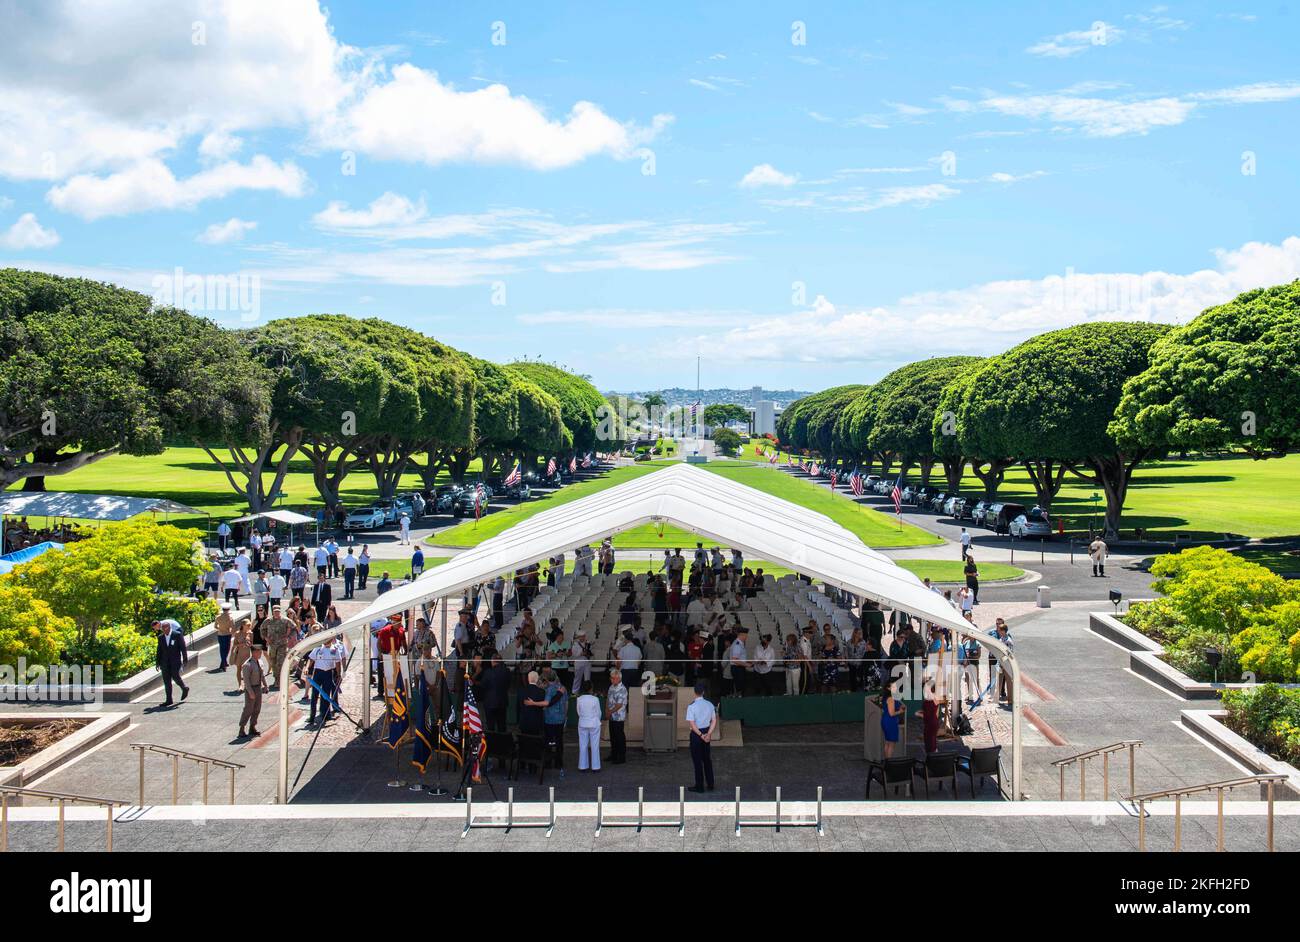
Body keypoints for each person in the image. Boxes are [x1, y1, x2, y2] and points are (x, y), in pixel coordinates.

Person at [305, 636, 342, 728]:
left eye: (327, 640)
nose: (326, 642)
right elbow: (311, 659)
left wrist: (338, 675)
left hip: (328, 673)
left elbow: (338, 663)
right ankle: (312, 716)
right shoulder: (318, 648)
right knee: (314, 695)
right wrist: (307, 668)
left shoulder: (334, 650)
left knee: (325, 695)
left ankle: (325, 715)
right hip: (318, 672)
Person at [686, 681, 716, 793]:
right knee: (707, 759)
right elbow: (714, 720)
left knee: (697, 761)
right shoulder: (710, 704)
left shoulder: (692, 706)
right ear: (703, 692)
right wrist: (708, 734)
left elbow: (692, 724)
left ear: (695, 692)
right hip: (706, 732)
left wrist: (700, 735)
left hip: (696, 734)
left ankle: (699, 786)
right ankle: (710, 783)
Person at [153, 619, 189, 706]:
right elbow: (159, 650)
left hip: (175, 661)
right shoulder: (161, 637)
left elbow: (183, 647)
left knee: (175, 676)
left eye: (166, 629)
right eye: (163, 629)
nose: (165, 631)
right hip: (164, 662)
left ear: (169, 628)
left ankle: (184, 688)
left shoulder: (177, 635)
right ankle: (169, 700)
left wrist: (185, 659)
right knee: (166, 681)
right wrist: (157, 662)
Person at [541, 669, 569, 777]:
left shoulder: (548, 689)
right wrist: (565, 716)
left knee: (548, 741)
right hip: (560, 718)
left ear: (547, 679)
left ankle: (548, 762)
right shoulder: (563, 688)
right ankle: (559, 762)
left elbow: (546, 704)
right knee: (559, 741)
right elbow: (566, 703)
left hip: (549, 718)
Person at [238, 644, 268, 738]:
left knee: (257, 709)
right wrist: (250, 692)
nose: (260, 654)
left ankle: (252, 727)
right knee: (248, 709)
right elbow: (246, 680)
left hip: (258, 687)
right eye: (258, 652)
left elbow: (262, 675)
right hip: (251, 688)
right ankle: (242, 728)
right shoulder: (248, 665)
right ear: (253, 652)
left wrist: (265, 685)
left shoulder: (259, 662)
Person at [260, 605, 293, 690]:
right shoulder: (268, 621)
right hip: (272, 645)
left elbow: (294, 626)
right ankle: (276, 679)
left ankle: (280, 680)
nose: (276, 613)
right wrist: (266, 638)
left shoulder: (285, 620)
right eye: (275, 612)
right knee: (273, 662)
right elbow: (262, 629)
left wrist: (288, 636)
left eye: (278, 612)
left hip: (282, 645)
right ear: (273, 612)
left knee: (280, 662)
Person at [575, 680, 602, 773]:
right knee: (595, 745)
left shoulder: (579, 699)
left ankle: (582, 766)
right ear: (591, 688)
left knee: (583, 744)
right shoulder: (595, 699)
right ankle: (595, 767)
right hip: (594, 723)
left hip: (583, 722)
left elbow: (578, 712)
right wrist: (596, 719)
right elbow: (598, 713)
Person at [605, 669, 628, 764]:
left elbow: (619, 705)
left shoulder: (622, 689)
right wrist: (606, 710)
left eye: (614, 678)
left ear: (619, 678)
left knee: (619, 737)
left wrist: (609, 712)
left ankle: (621, 757)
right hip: (611, 715)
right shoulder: (611, 687)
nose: (612, 680)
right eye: (611, 678)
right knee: (613, 736)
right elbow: (608, 699)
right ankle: (613, 754)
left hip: (619, 717)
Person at [881, 685, 903, 758]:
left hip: (886, 720)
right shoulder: (891, 698)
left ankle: (886, 762)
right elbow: (892, 713)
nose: (895, 688)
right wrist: (900, 711)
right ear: (888, 688)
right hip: (890, 722)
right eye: (893, 687)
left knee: (887, 742)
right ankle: (889, 764)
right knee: (891, 744)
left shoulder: (888, 697)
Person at [728, 627, 751, 697]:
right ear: (741, 635)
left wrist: (748, 662)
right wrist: (746, 664)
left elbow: (740, 658)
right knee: (740, 689)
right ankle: (739, 702)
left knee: (741, 687)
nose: (747, 637)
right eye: (746, 635)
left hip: (739, 668)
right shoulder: (737, 644)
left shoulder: (740, 643)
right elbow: (735, 660)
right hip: (737, 668)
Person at [214, 602, 235, 671]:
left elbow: (215, 626)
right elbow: (233, 627)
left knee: (222, 649)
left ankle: (223, 663)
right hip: (227, 634)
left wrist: (220, 628)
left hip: (220, 634)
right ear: (228, 609)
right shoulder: (230, 618)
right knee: (227, 649)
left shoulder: (218, 617)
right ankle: (224, 662)